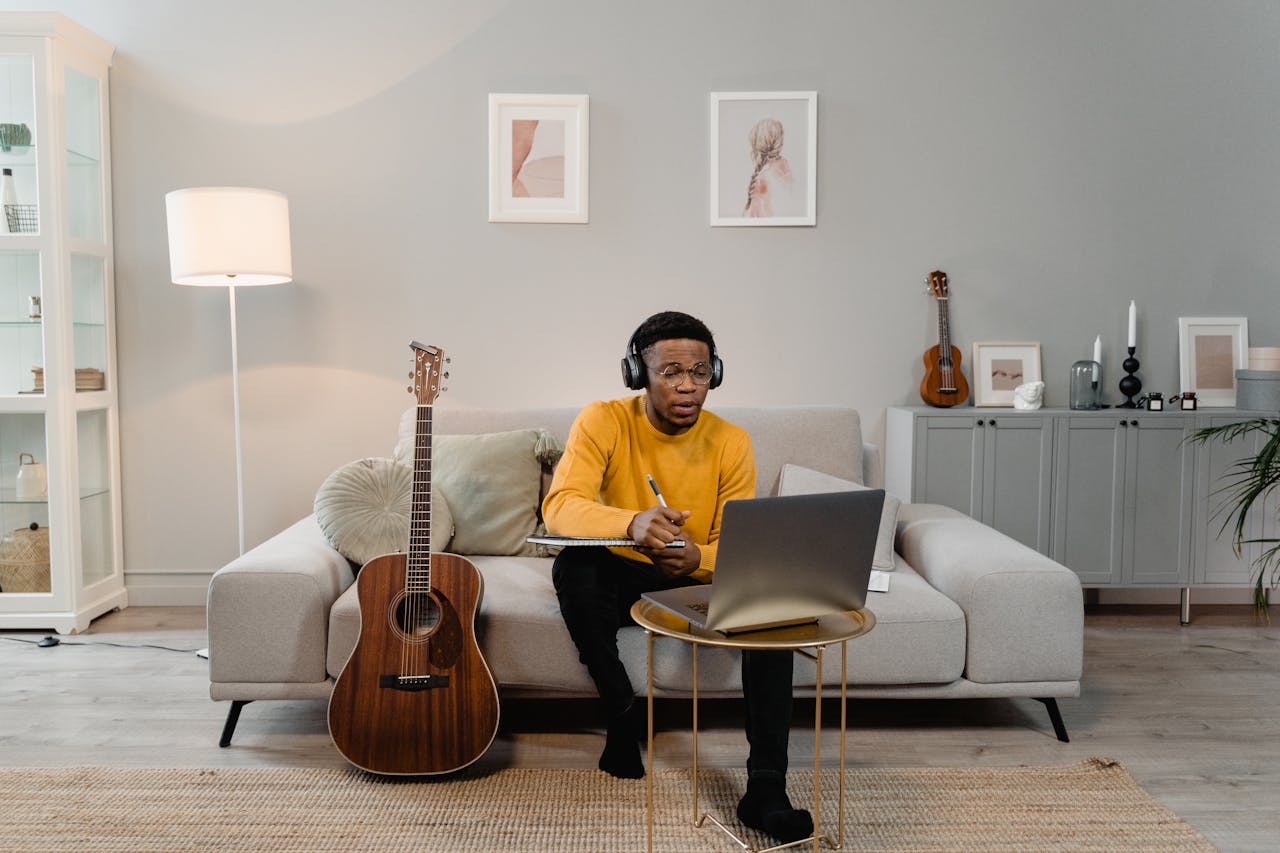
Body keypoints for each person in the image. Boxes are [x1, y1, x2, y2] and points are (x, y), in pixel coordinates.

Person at [542, 311, 813, 844]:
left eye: (700, 370)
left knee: (772, 609)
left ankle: (766, 788)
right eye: (670, 371)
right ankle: (622, 714)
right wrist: (632, 523)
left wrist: (698, 560)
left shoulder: (731, 441)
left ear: (715, 373)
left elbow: (734, 541)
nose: (689, 384)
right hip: (619, 566)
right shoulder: (603, 420)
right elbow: (560, 506)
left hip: (689, 575)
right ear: (637, 373)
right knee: (577, 567)